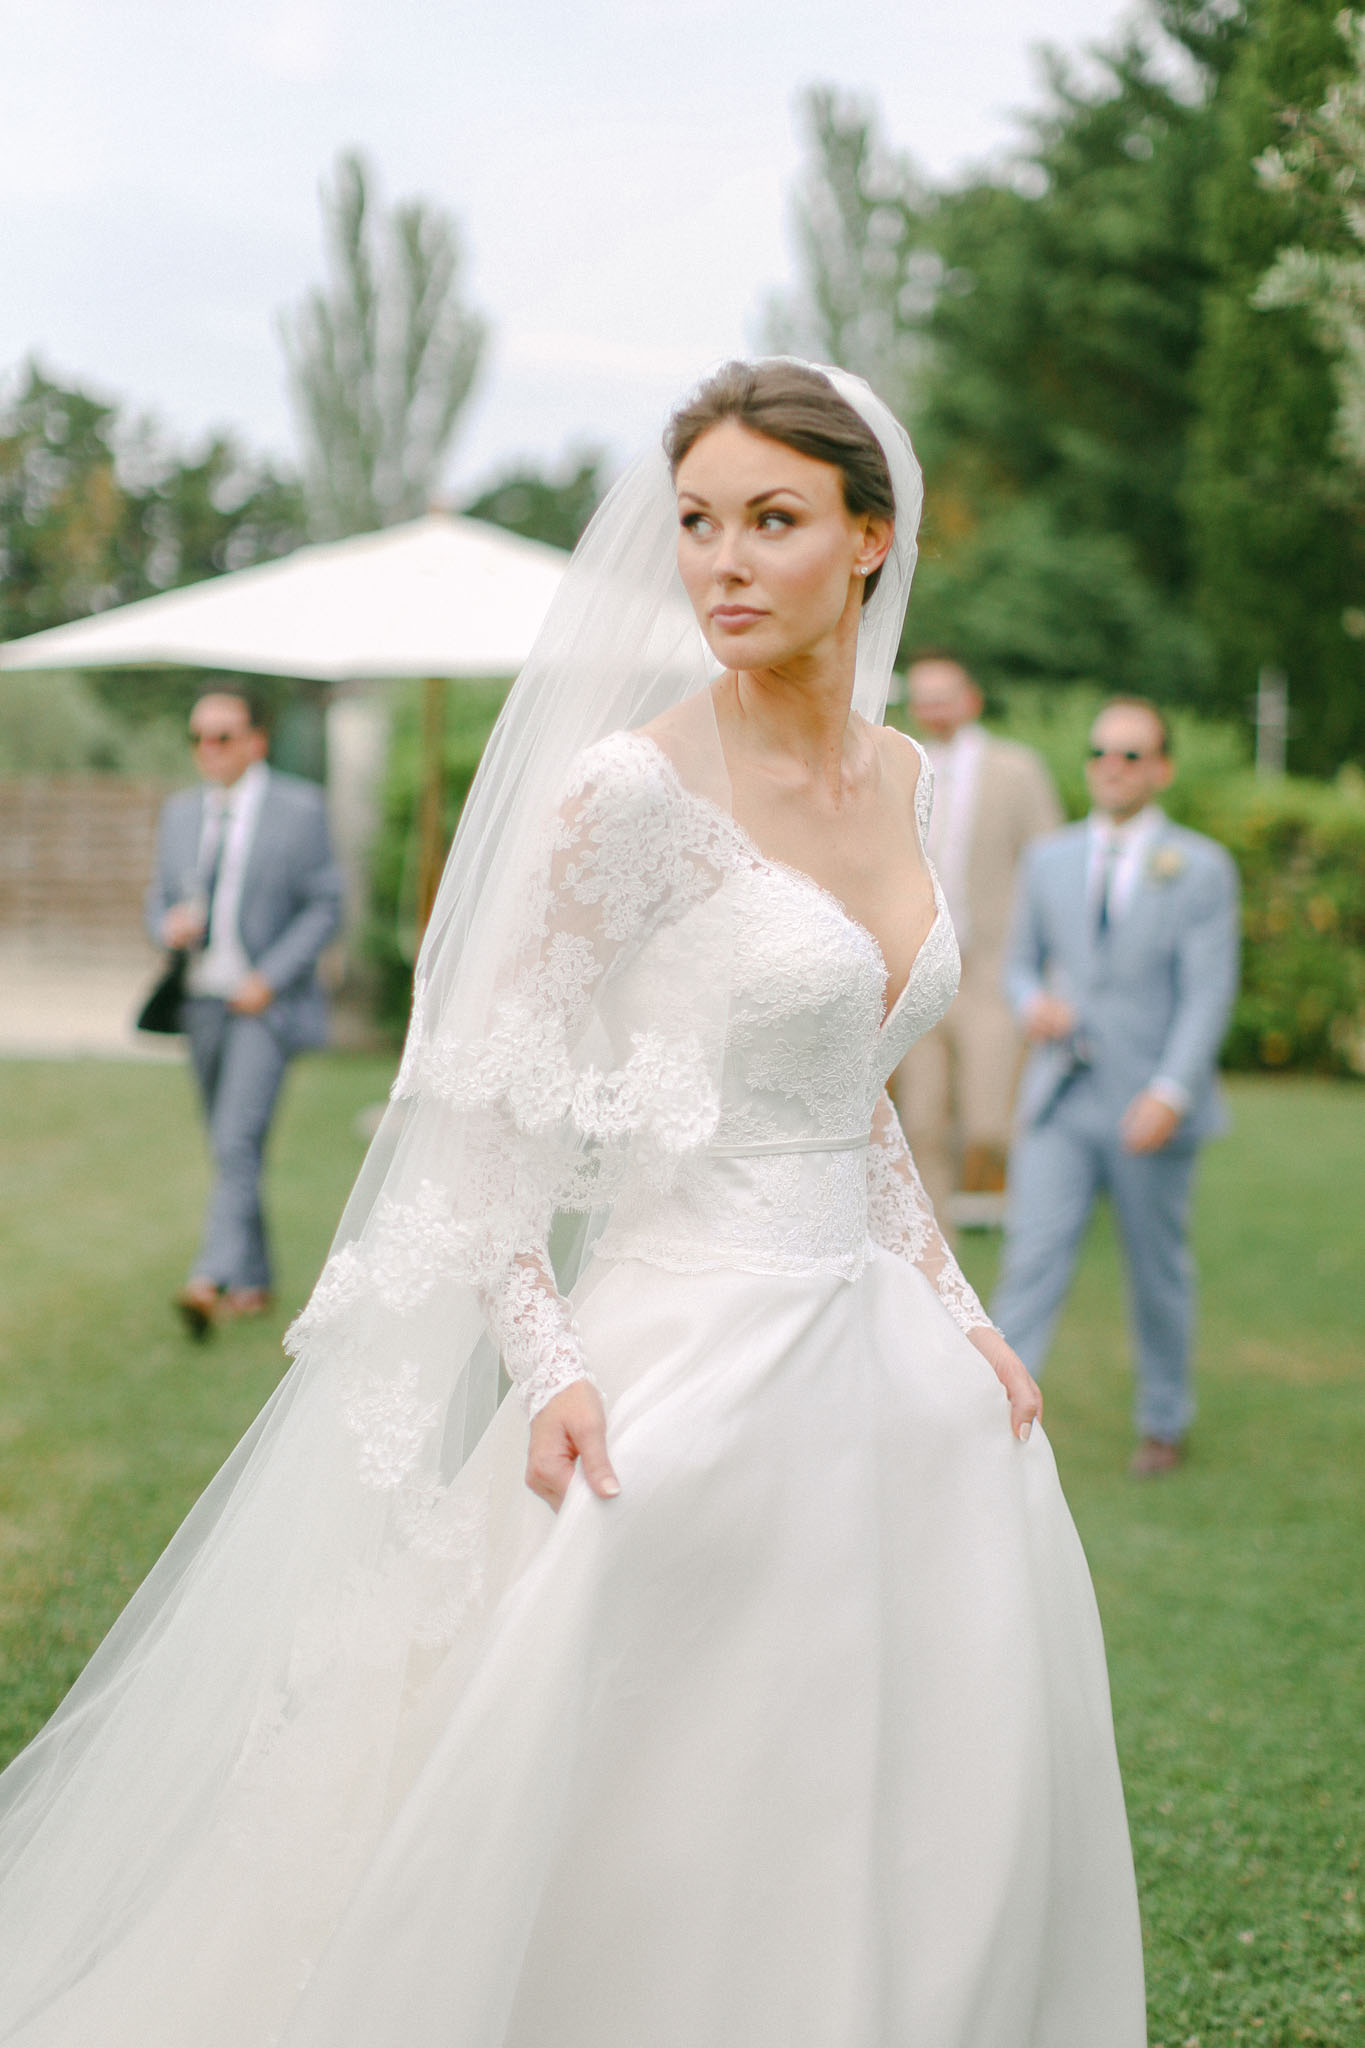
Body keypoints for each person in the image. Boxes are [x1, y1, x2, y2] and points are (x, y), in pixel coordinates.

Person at [0, 363, 1146, 2047]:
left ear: (870, 542)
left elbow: (858, 1094)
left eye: (773, 520)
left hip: (884, 1358)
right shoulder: (630, 792)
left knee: (896, 1745)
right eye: (697, 523)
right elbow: (478, 1125)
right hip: (674, 1362)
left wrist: (969, 1317)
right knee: (628, 1768)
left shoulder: (903, 776)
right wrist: (551, 1366)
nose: (723, 562)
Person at [991, 697, 1240, 1478]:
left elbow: (1208, 992)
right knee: (1029, 1256)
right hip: (1060, 1098)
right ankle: (992, 1415)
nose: (1111, 766)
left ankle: (1163, 1421)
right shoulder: (1049, 859)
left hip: (1148, 1106)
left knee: (1156, 1271)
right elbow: (1017, 964)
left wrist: (1170, 1091)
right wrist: (1035, 1003)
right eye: (1099, 752)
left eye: (1130, 755)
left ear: (1160, 769)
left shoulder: (1199, 867)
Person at [145, 690, 344, 1336]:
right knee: (231, 1147)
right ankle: (254, 1278)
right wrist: (166, 925)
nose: (208, 749)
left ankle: (208, 1279)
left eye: (223, 736)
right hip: (200, 1001)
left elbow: (325, 907)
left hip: (262, 1005)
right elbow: (158, 896)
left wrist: (271, 976)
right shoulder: (179, 813)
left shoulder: (300, 809)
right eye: (198, 736)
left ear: (256, 741)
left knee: (235, 1140)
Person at [891, 652, 1061, 1228]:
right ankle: (941, 1263)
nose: (932, 705)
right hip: (923, 978)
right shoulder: (899, 767)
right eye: (923, 695)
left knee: (991, 1126)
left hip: (992, 975)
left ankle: (1042, 1212)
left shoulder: (1016, 769)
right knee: (921, 1123)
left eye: (944, 693)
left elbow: (1051, 867)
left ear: (971, 699)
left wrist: (1051, 966)